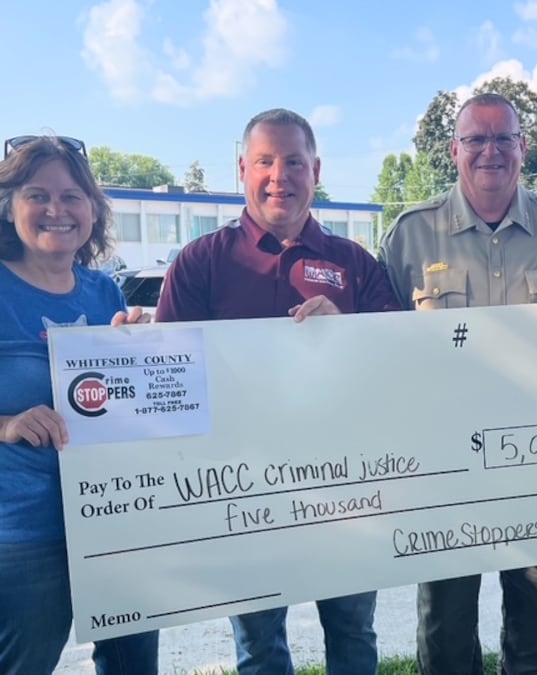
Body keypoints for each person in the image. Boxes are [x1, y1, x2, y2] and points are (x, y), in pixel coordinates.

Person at [379, 92, 537, 675]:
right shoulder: (410, 235)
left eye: (503, 138)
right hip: (442, 467)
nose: (490, 151)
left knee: (536, 621)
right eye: (476, 139)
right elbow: (378, 345)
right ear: (454, 150)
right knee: (444, 629)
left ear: (522, 146)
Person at [156, 108, 398, 675]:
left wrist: (350, 333)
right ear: (242, 168)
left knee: (353, 633)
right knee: (259, 646)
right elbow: (168, 381)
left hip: (346, 486)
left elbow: (398, 366)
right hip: (244, 488)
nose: (278, 175)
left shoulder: (354, 263)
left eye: (293, 161)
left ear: (316, 170)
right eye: (264, 161)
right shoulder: (200, 262)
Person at [0, 135, 159, 674]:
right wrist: (6, 424)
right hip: (23, 529)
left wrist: (141, 352)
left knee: (133, 664)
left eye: (72, 196)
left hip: (114, 516)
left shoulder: (104, 294)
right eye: (37, 195)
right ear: (9, 205)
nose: (56, 210)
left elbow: (122, 407)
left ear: (92, 210)